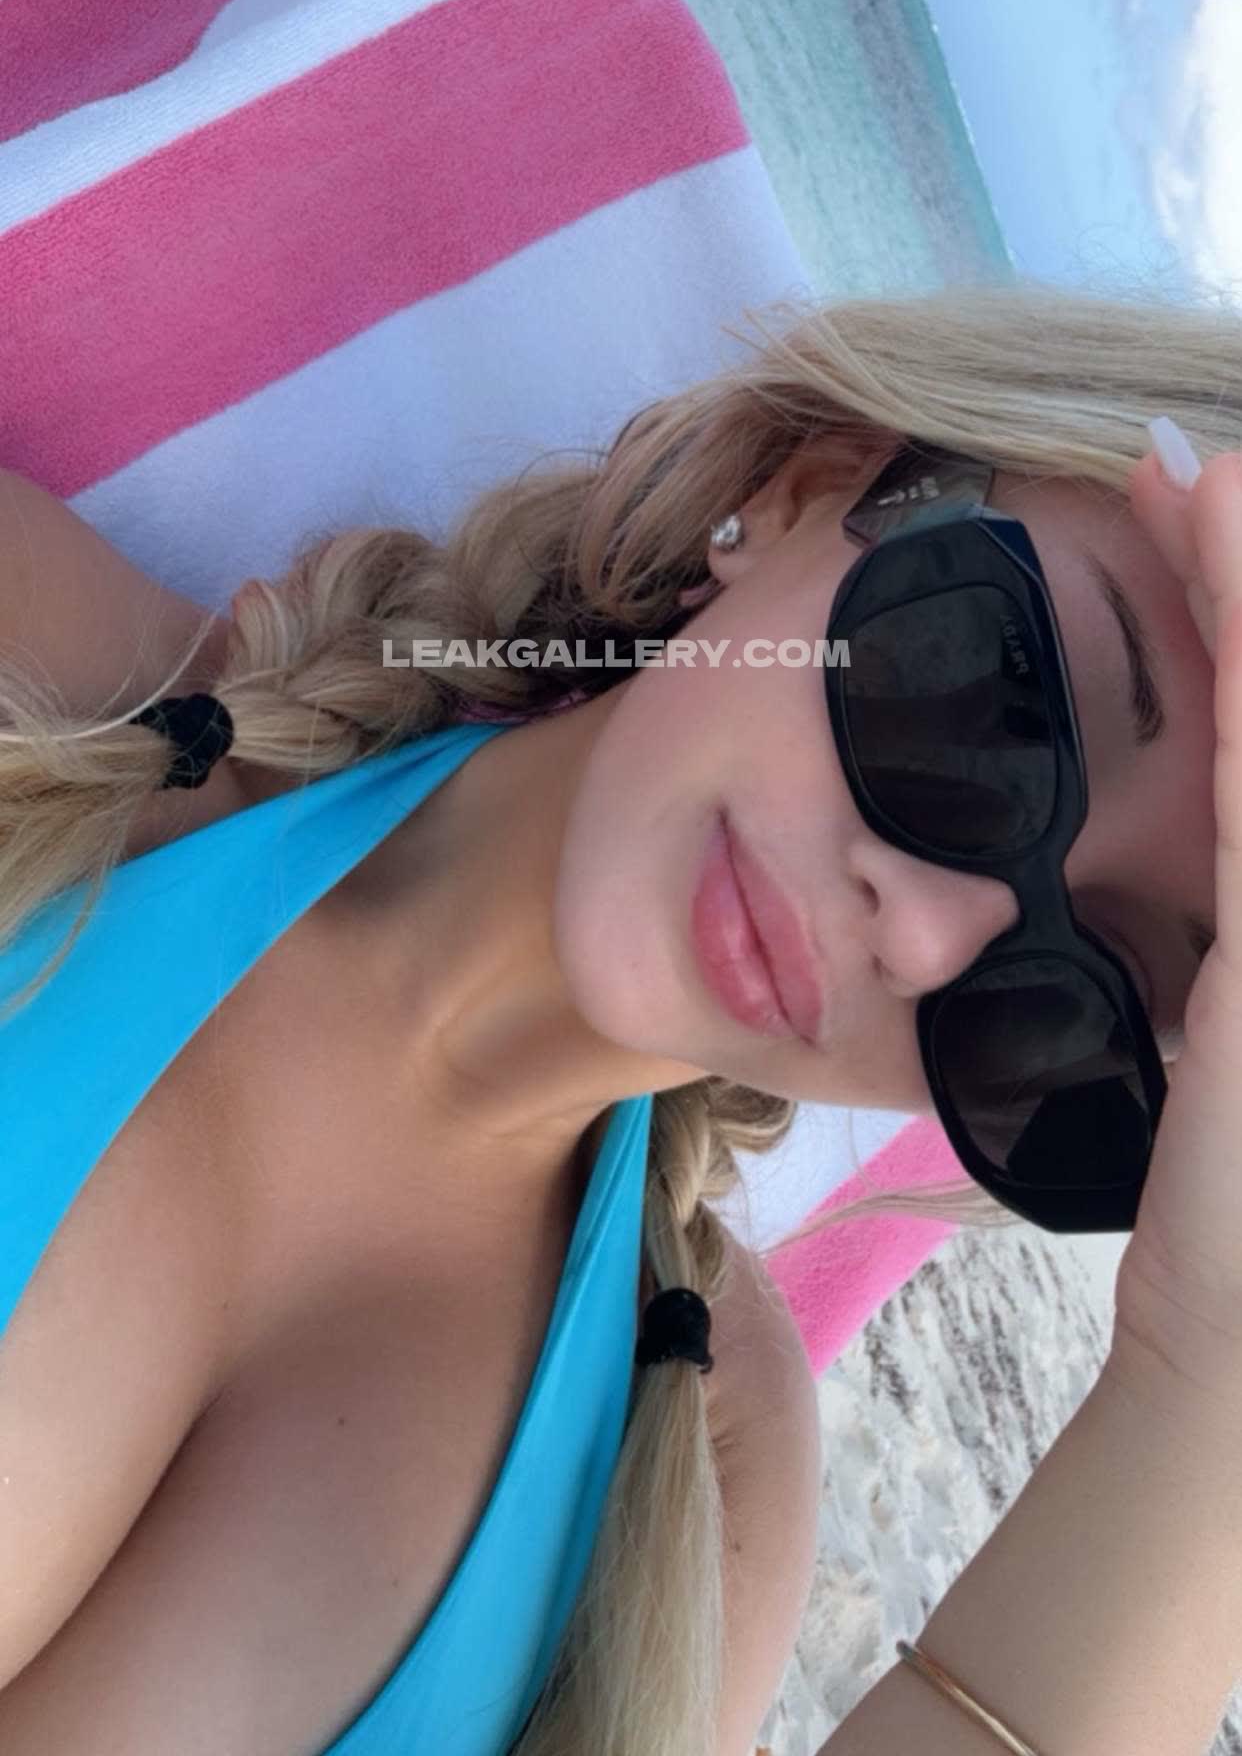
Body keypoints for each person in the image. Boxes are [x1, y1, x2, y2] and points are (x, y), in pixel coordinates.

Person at [2, 271, 1242, 1756]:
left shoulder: (705, 1470)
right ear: (810, 488)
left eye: (1099, 986)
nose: (926, 936)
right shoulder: (55, 696)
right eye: (1000, 708)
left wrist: (1205, 1375)